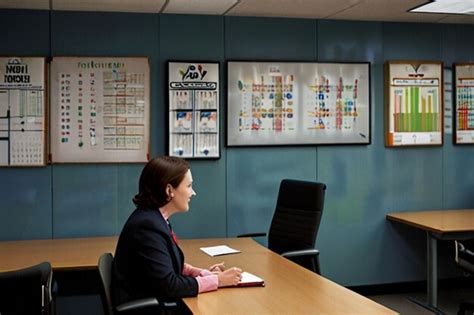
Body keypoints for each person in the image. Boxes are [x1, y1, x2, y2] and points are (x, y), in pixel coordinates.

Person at [112, 156, 242, 310]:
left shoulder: (154, 218)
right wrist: (218, 281)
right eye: (189, 186)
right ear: (169, 190)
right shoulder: (147, 227)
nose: (193, 193)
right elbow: (170, 285)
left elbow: (168, 265)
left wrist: (202, 273)